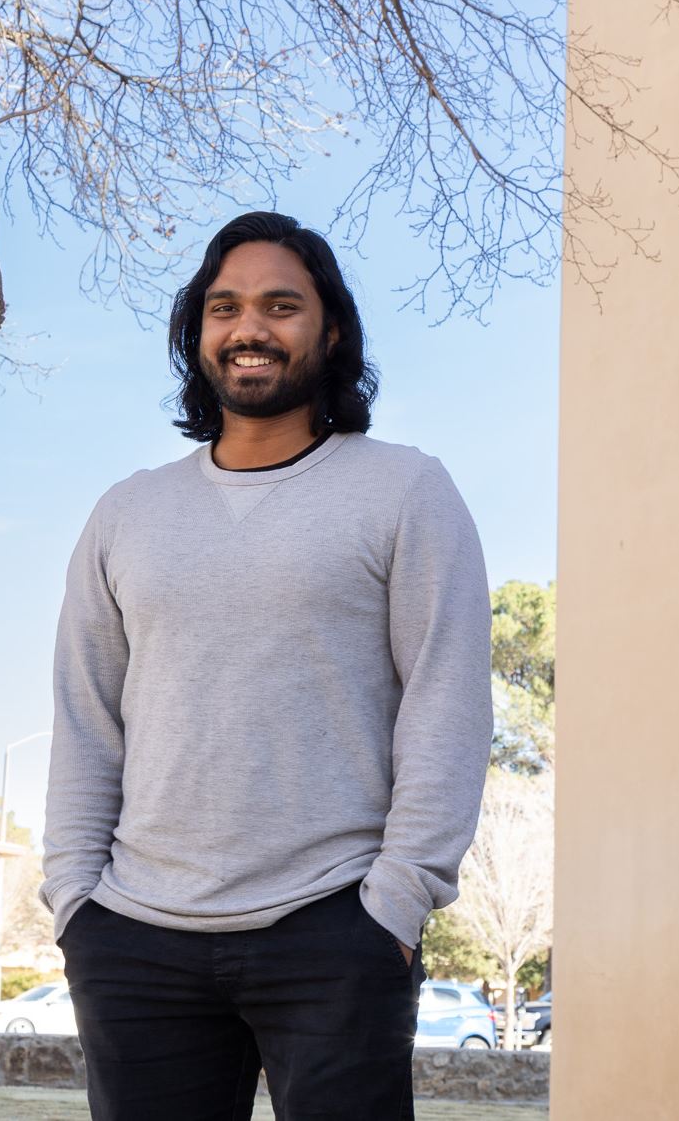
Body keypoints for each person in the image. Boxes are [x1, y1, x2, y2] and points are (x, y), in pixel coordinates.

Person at [39, 212, 493, 1121]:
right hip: (134, 939)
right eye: (225, 307)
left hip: (333, 927)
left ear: (329, 331)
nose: (249, 328)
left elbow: (447, 702)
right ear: (197, 333)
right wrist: (75, 906)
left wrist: (394, 906)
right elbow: (86, 717)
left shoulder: (404, 489)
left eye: (281, 305)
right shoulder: (126, 512)